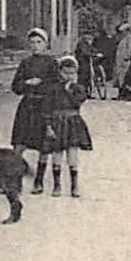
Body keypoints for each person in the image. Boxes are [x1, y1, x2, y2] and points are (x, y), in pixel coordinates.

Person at [10, 28, 61, 193]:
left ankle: (38, 181)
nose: (35, 46)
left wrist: (41, 83)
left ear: (45, 44)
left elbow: (56, 85)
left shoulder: (52, 63)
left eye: (39, 42)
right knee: (19, 144)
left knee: (43, 146)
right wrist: (26, 84)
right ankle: (14, 181)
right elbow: (15, 87)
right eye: (32, 42)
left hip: (43, 107)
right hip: (26, 107)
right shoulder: (25, 63)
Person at [45, 53, 93, 197]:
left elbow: (78, 102)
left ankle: (74, 185)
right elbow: (47, 108)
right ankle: (57, 185)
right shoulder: (53, 89)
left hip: (73, 123)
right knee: (57, 154)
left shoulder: (78, 88)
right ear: (60, 72)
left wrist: (69, 90)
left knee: (72, 153)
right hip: (57, 122)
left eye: (72, 73)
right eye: (65, 73)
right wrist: (48, 126)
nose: (69, 76)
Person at [92, 27, 118, 101]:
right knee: (107, 79)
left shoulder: (97, 41)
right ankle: (106, 94)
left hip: (101, 61)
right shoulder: (110, 41)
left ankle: (102, 93)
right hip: (108, 61)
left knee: (101, 78)